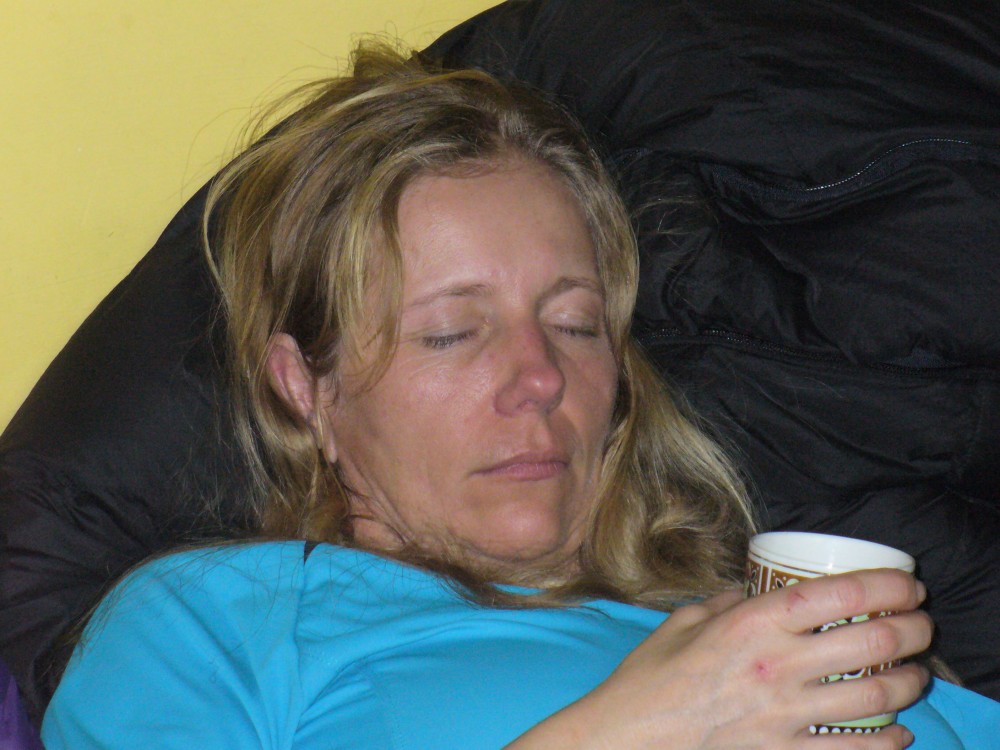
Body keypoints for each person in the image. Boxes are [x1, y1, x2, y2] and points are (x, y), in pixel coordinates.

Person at [40, 45, 998, 749]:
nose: (541, 377)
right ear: (307, 387)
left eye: (576, 323)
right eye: (452, 333)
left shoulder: (759, 632)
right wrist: (645, 730)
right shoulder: (214, 627)